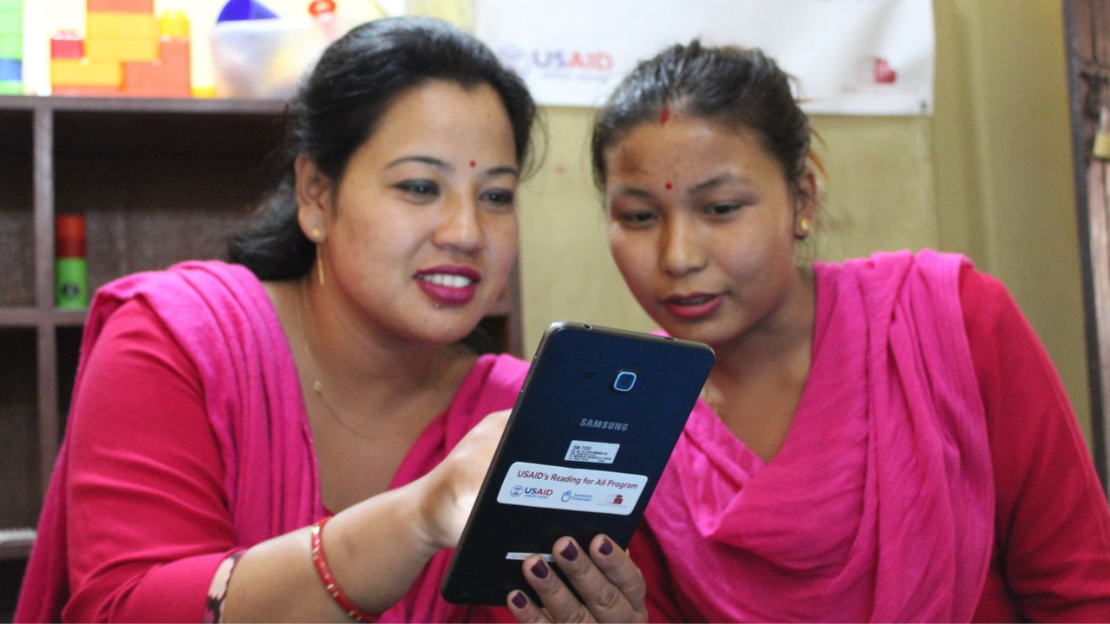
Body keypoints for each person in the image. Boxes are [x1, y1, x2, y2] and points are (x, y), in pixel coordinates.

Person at [15, 17, 646, 624]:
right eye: (420, 187)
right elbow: (127, 608)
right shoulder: (177, 337)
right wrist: (415, 519)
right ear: (317, 195)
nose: (466, 232)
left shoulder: (515, 411)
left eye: (497, 197)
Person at [585, 41, 1110, 622]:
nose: (678, 256)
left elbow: (1081, 589)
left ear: (801, 199)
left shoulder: (951, 320)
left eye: (722, 208)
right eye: (638, 217)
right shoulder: (629, 414)